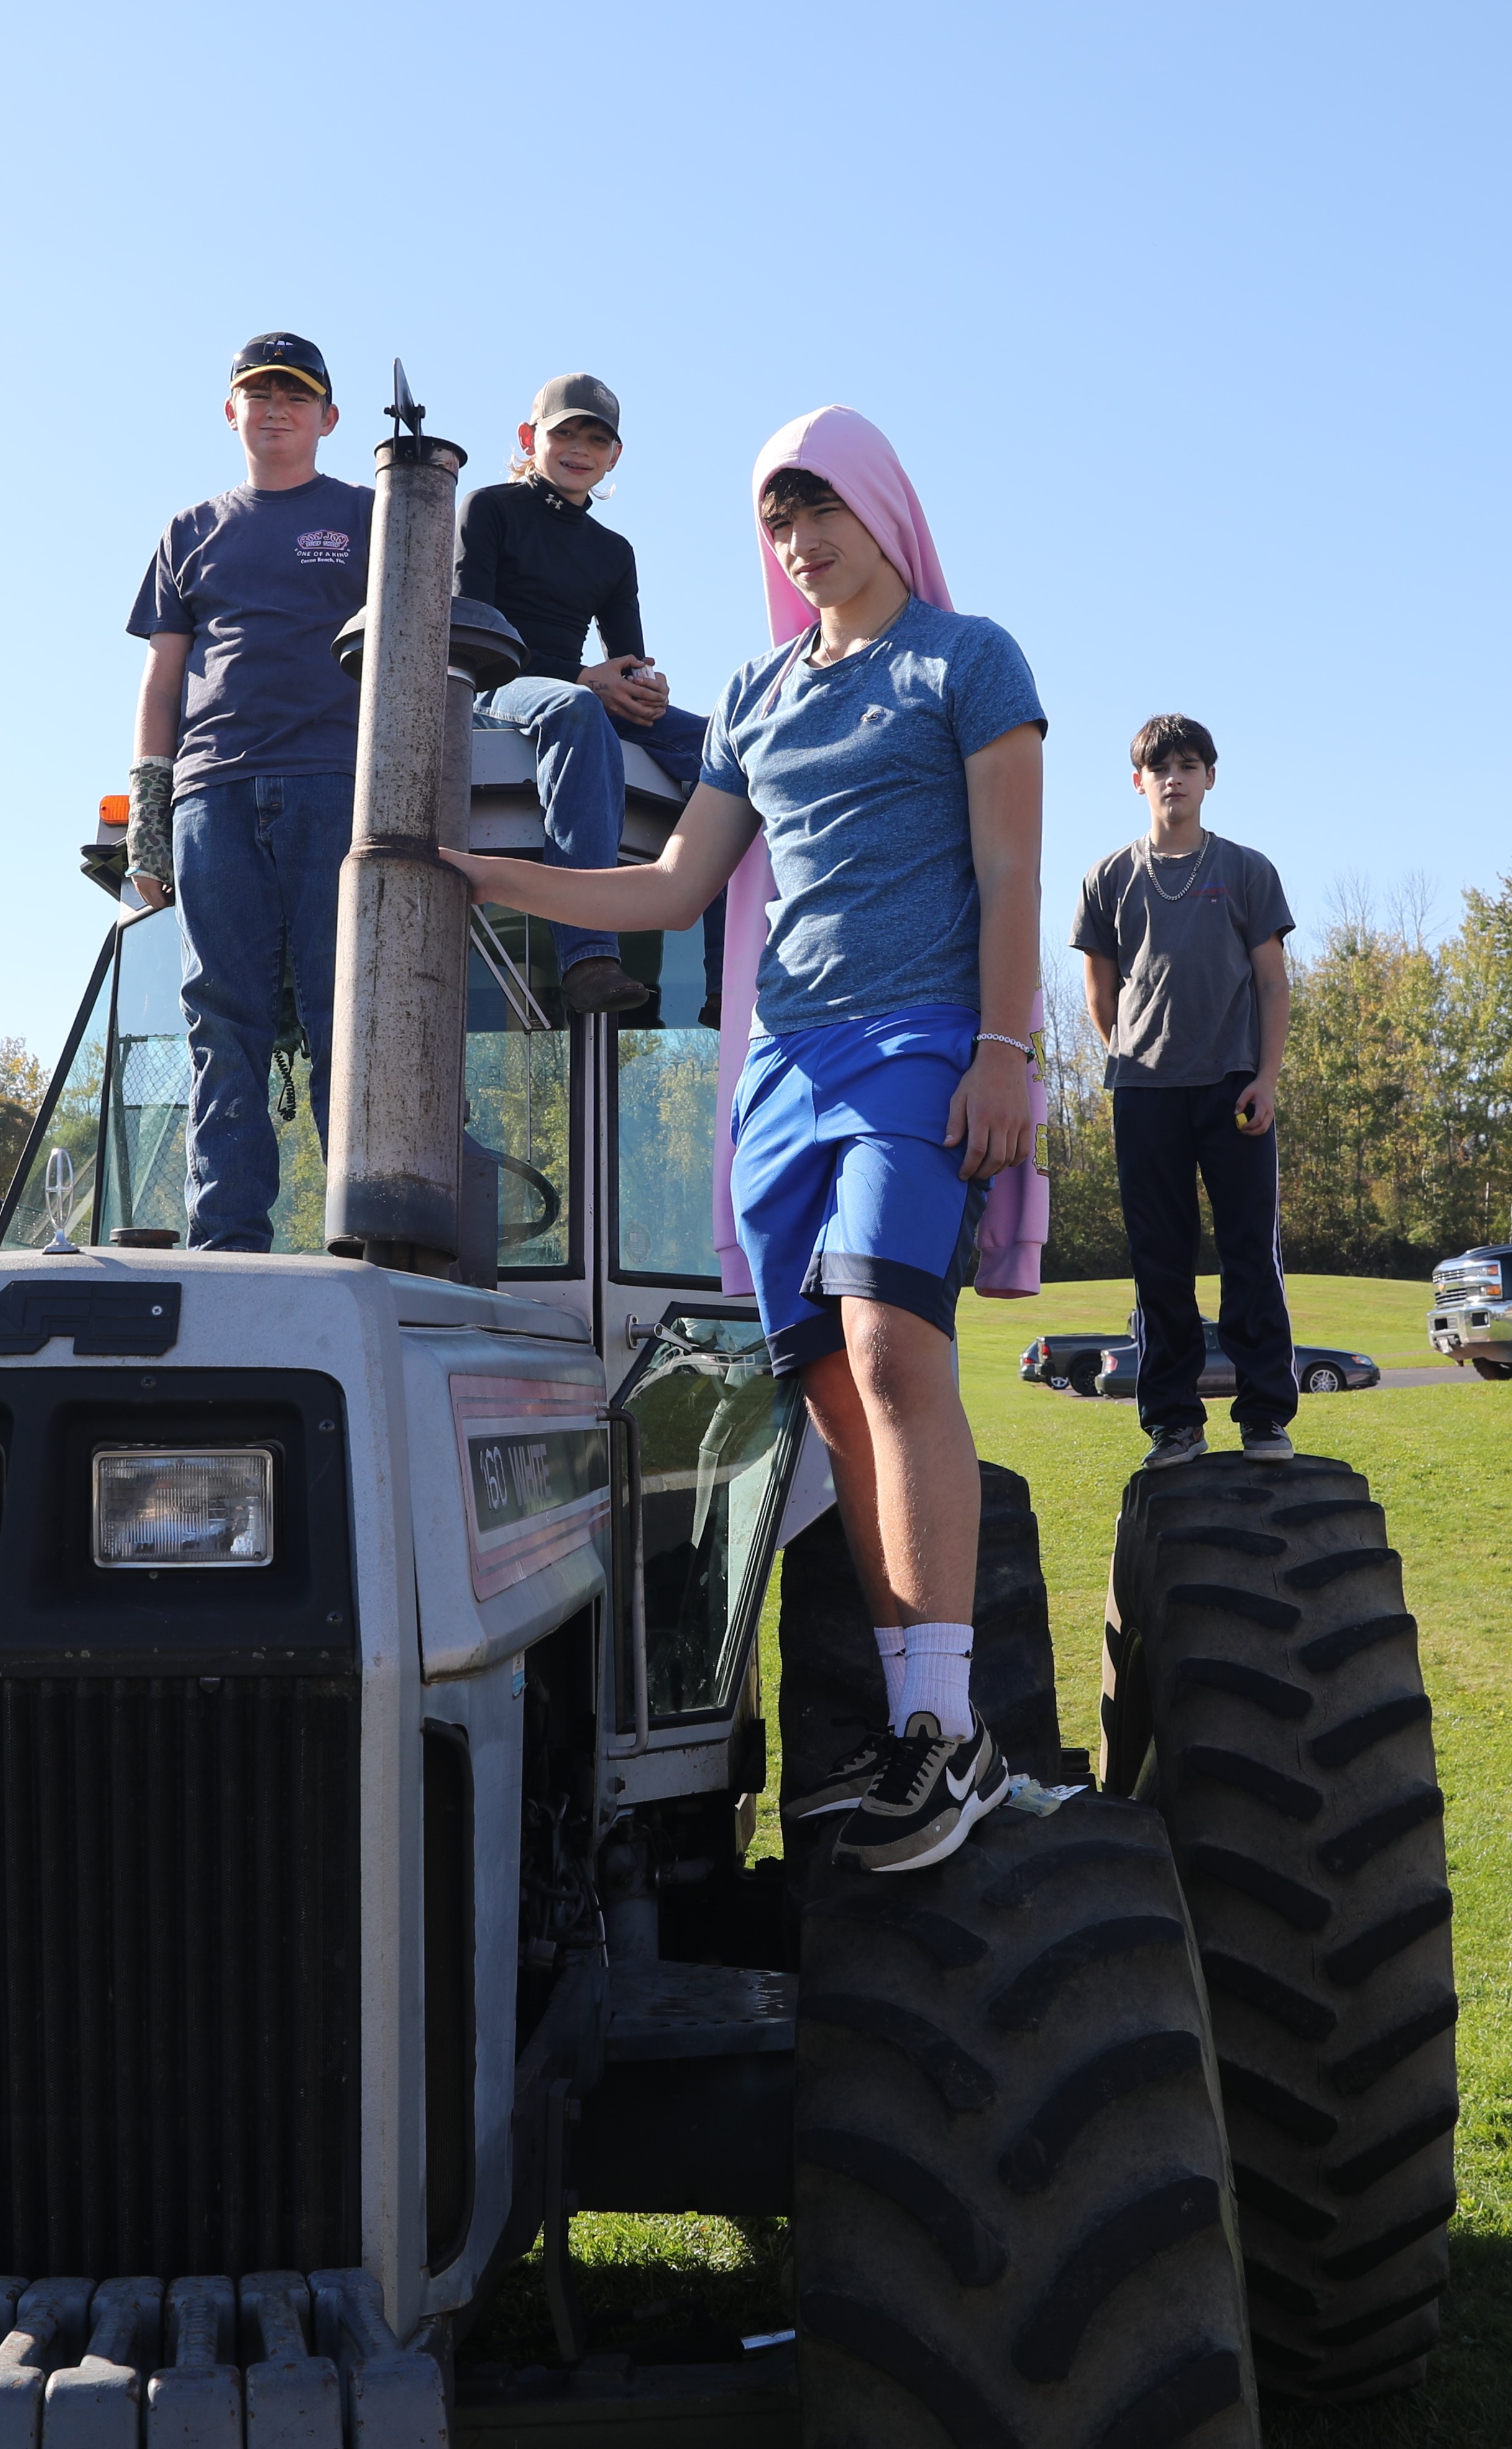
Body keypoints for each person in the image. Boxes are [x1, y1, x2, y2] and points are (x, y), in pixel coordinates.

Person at [442, 407, 1043, 1875]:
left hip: (914, 1042)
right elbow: (666, 888)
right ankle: (919, 1731)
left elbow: (1008, 862)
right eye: (775, 519)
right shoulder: (758, 693)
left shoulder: (969, 663)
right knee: (832, 1408)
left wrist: (1005, 1049)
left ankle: (946, 1731)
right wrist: (468, 867)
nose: (799, 537)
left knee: (897, 1352)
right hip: (781, 1074)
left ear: (880, 506)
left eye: (817, 504)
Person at [123, 333, 373, 1251]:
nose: (275, 410)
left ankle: (361, 1228)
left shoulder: (367, 514)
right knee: (220, 1014)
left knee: (337, 1005)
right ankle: (224, 1239)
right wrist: (150, 817)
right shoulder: (189, 531)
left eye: (295, 397)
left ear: (328, 420)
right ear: (230, 412)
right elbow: (162, 682)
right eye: (257, 395)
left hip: (332, 786)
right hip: (210, 796)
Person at [1071, 715, 1299, 1467]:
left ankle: (1266, 1417)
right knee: (1159, 1263)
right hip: (1145, 1093)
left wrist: (1265, 1078)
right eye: (1160, 766)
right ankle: (1174, 1424)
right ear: (1138, 780)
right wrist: (1134, 1063)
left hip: (1235, 1088)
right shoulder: (1108, 877)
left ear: (1210, 777)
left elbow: (1272, 982)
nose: (1175, 776)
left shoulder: (1246, 870)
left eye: (1189, 763)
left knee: (1249, 1257)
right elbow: (1100, 995)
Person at [454, 375, 714, 1017]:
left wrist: (644, 689)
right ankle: (589, 954)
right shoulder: (487, 509)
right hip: (494, 685)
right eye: (564, 432)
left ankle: (728, 980)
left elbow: (629, 656)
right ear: (528, 438)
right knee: (576, 708)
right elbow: (475, 638)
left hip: (569, 688)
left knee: (724, 743)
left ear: (614, 456)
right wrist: (584, 682)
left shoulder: (613, 551)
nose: (579, 449)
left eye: (596, 438)